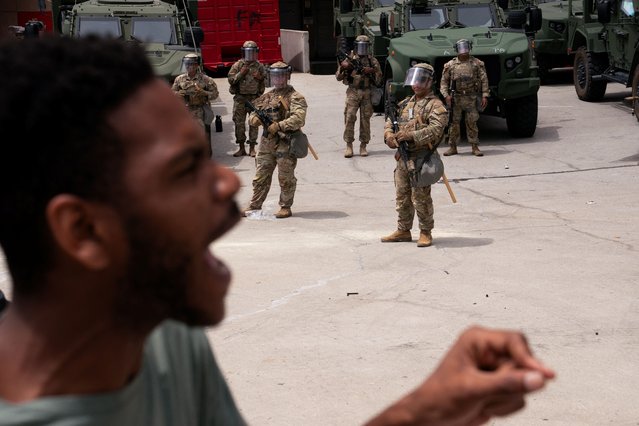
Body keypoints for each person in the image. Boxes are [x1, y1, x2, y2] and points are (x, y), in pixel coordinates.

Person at [0, 36, 554, 425]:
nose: (225, 184)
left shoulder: (167, 341)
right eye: (181, 171)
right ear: (83, 231)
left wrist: (428, 409)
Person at [382, 63, 448, 248]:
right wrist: (389, 136)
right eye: (414, 80)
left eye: (421, 80)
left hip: (421, 158)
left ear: (429, 82)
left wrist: (411, 136)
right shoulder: (405, 103)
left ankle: (425, 231)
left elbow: (436, 129)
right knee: (402, 196)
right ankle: (403, 229)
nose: (416, 84)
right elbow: (390, 121)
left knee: (421, 197)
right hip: (402, 158)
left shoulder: (435, 105)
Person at [242, 61, 307, 219]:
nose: (278, 79)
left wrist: (279, 126)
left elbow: (299, 119)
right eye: (275, 75)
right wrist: (254, 119)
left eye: (281, 75)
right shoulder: (267, 96)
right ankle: (255, 204)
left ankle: (285, 206)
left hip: (285, 142)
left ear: (287, 76)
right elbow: (253, 113)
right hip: (266, 144)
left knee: (285, 178)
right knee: (260, 176)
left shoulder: (295, 97)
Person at [440, 39, 490, 157]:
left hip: (471, 97)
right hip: (455, 98)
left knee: (472, 122)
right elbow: (444, 82)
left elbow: (484, 80)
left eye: (466, 47)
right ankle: (453, 147)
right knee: (453, 123)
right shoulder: (450, 65)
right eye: (461, 48)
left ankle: (474, 146)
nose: (463, 51)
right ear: (456, 49)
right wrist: (446, 95)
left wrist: (485, 95)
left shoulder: (476, 63)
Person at [335, 35, 382, 158]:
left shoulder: (373, 61)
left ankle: (363, 145)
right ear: (356, 46)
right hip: (353, 92)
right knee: (350, 117)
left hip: (367, 93)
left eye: (365, 46)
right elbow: (338, 77)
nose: (362, 49)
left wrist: (371, 71)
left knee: (365, 120)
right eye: (360, 46)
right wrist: (343, 68)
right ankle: (349, 145)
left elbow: (379, 80)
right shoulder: (349, 59)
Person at [172, 53, 219, 157]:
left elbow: (215, 94)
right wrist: (178, 94)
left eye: (191, 64)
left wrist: (203, 92)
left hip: (200, 110)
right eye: (186, 64)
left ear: (197, 65)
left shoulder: (206, 79)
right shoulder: (179, 79)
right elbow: (172, 93)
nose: (188, 67)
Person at [227, 40, 267, 158]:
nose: (250, 55)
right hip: (240, 99)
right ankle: (241, 148)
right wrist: (241, 73)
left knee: (254, 123)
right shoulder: (238, 65)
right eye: (248, 52)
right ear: (243, 52)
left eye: (252, 52)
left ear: (256, 52)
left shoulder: (259, 66)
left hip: (254, 99)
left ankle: (252, 148)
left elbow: (266, 80)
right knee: (239, 124)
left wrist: (259, 77)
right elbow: (231, 80)